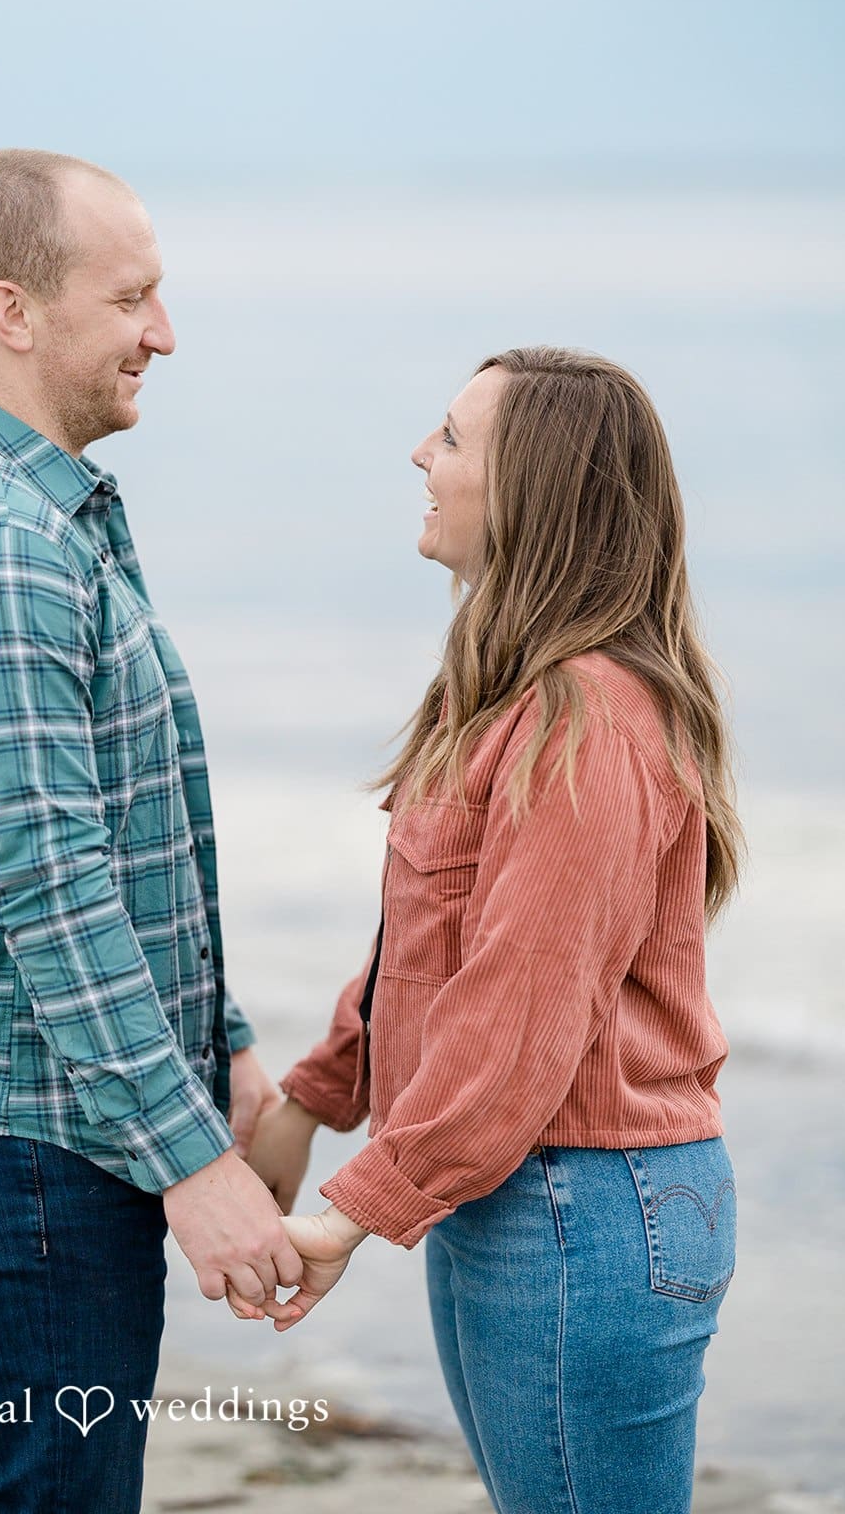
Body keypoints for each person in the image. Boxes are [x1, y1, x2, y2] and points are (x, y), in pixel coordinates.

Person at [0, 148, 302, 1513]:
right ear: (13, 310)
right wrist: (192, 1164)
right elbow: (50, 891)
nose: (163, 333)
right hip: (24, 1143)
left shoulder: (48, 512)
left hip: (49, 1125)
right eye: (133, 299)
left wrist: (221, 1055)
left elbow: (123, 833)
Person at [244, 347, 741, 1514]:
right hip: (514, 1192)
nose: (422, 455)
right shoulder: (510, 697)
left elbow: (512, 1017)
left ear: (536, 491)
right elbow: (424, 943)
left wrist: (349, 1214)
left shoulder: (588, 722)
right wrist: (316, 1099)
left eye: (453, 439)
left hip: (584, 1205)